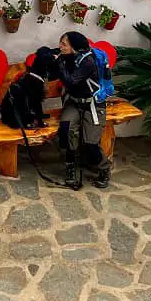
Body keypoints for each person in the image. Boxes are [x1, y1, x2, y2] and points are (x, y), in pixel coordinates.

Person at [56, 31, 111, 189]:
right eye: (61, 42)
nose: (60, 46)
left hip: (93, 104)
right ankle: (70, 166)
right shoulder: (69, 56)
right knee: (66, 129)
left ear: (75, 47)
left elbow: (71, 81)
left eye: (64, 44)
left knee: (91, 142)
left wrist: (59, 63)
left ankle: (104, 168)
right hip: (74, 102)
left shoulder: (88, 62)